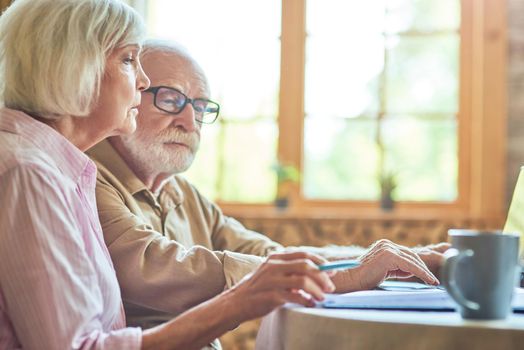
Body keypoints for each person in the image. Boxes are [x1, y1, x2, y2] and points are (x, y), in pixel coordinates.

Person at [0, 1, 336, 349]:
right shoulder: (29, 172)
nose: (142, 81)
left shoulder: (61, 169)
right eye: (129, 59)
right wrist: (239, 300)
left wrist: (360, 264)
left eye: (201, 107)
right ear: (72, 66)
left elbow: (269, 252)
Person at [87, 39, 448, 332]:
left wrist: (390, 259)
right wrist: (351, 274)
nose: (189, 121)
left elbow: (273, 253)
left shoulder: (181, 193)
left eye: (199, 107)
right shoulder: (88, 176)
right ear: (131, 96)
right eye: (170, 99)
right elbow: (158, 269)